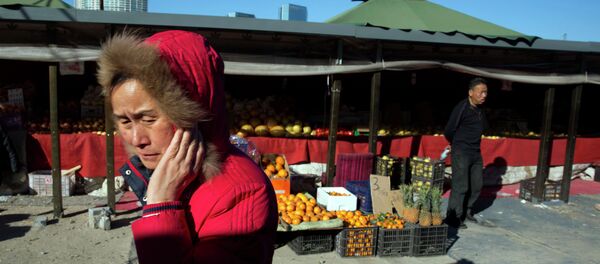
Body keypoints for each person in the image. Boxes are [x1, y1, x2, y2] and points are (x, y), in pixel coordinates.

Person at [97, 30, 278, 263]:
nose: (136, 139)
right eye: (124, 121)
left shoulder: (243, 194)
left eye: (149, 119)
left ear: (193, 110)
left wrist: (161, 206)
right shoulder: (171, 173)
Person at [444, 77, 488, 229]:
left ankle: (467, 211)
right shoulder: (461, 108)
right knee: (460, 186)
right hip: (461, 152)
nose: (484, 95)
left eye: (485, 92)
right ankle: (453, 217)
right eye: (480, 92)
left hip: (476, 152)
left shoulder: (481, 109)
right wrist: (456, 144)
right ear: (471, 92)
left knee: (477, 184)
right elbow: (449, 130)